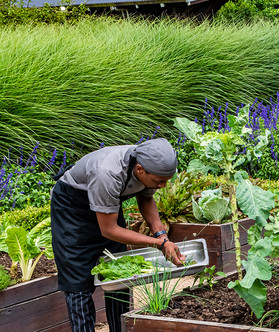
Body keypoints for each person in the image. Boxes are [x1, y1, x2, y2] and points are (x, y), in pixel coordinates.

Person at [51, 138, 186, 332]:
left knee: (119, 273)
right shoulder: (107, 173)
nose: (162, 186)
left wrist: (162, 236)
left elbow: (146, 199)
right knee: (78, 281)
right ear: (140, 169)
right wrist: (158, 244)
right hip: (73, 212)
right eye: (159, 181)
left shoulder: (149, 165)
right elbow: (109, 230)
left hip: (107, 209)